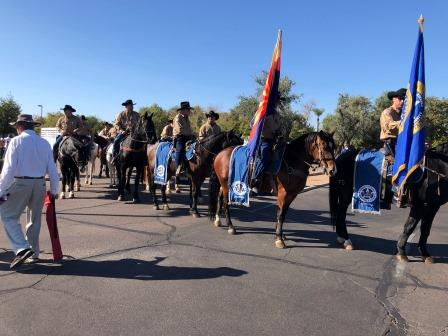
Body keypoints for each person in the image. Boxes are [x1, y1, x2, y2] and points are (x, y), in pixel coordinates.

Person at [0, 114, 59, 269]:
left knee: (8, 215)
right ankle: (32, 254)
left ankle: (22, 248)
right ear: (33, 126)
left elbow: (8, 169)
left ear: (19, 127)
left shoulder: (16, 141)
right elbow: (52, 169)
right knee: (34, 219)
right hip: (39, 183)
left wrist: (1, 189)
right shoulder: (44, 143)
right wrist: (54, 189)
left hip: (21, 182)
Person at [252, 112, 284, 195]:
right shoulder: (262, 111)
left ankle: (272, 184)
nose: (277, 103)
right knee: (264, 158)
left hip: (275, 141)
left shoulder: (277, 115)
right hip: (263, 140)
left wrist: (281, 132)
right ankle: (255, 181)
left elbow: (281, 127)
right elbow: (252, 124)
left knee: (280, 157)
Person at [380, 88, 406, 157]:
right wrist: (405, 122)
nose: (403, 101)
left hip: (402, 141)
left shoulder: (405, 114)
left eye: (405, 100)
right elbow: (389, 127)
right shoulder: (387, 112)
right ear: (394, 99)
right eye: (400, 99)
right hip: (391, 143)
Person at [173, 101, 194, 170]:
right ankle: (177, 167)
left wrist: (192, 135)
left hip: (187, 137)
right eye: (188, 110)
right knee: (180, 149)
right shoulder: (177, 118)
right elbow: (179, 130)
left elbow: (189, 129)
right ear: (183, 110)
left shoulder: (187, 118)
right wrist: (189, 134)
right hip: (180, 138)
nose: (189, 111)